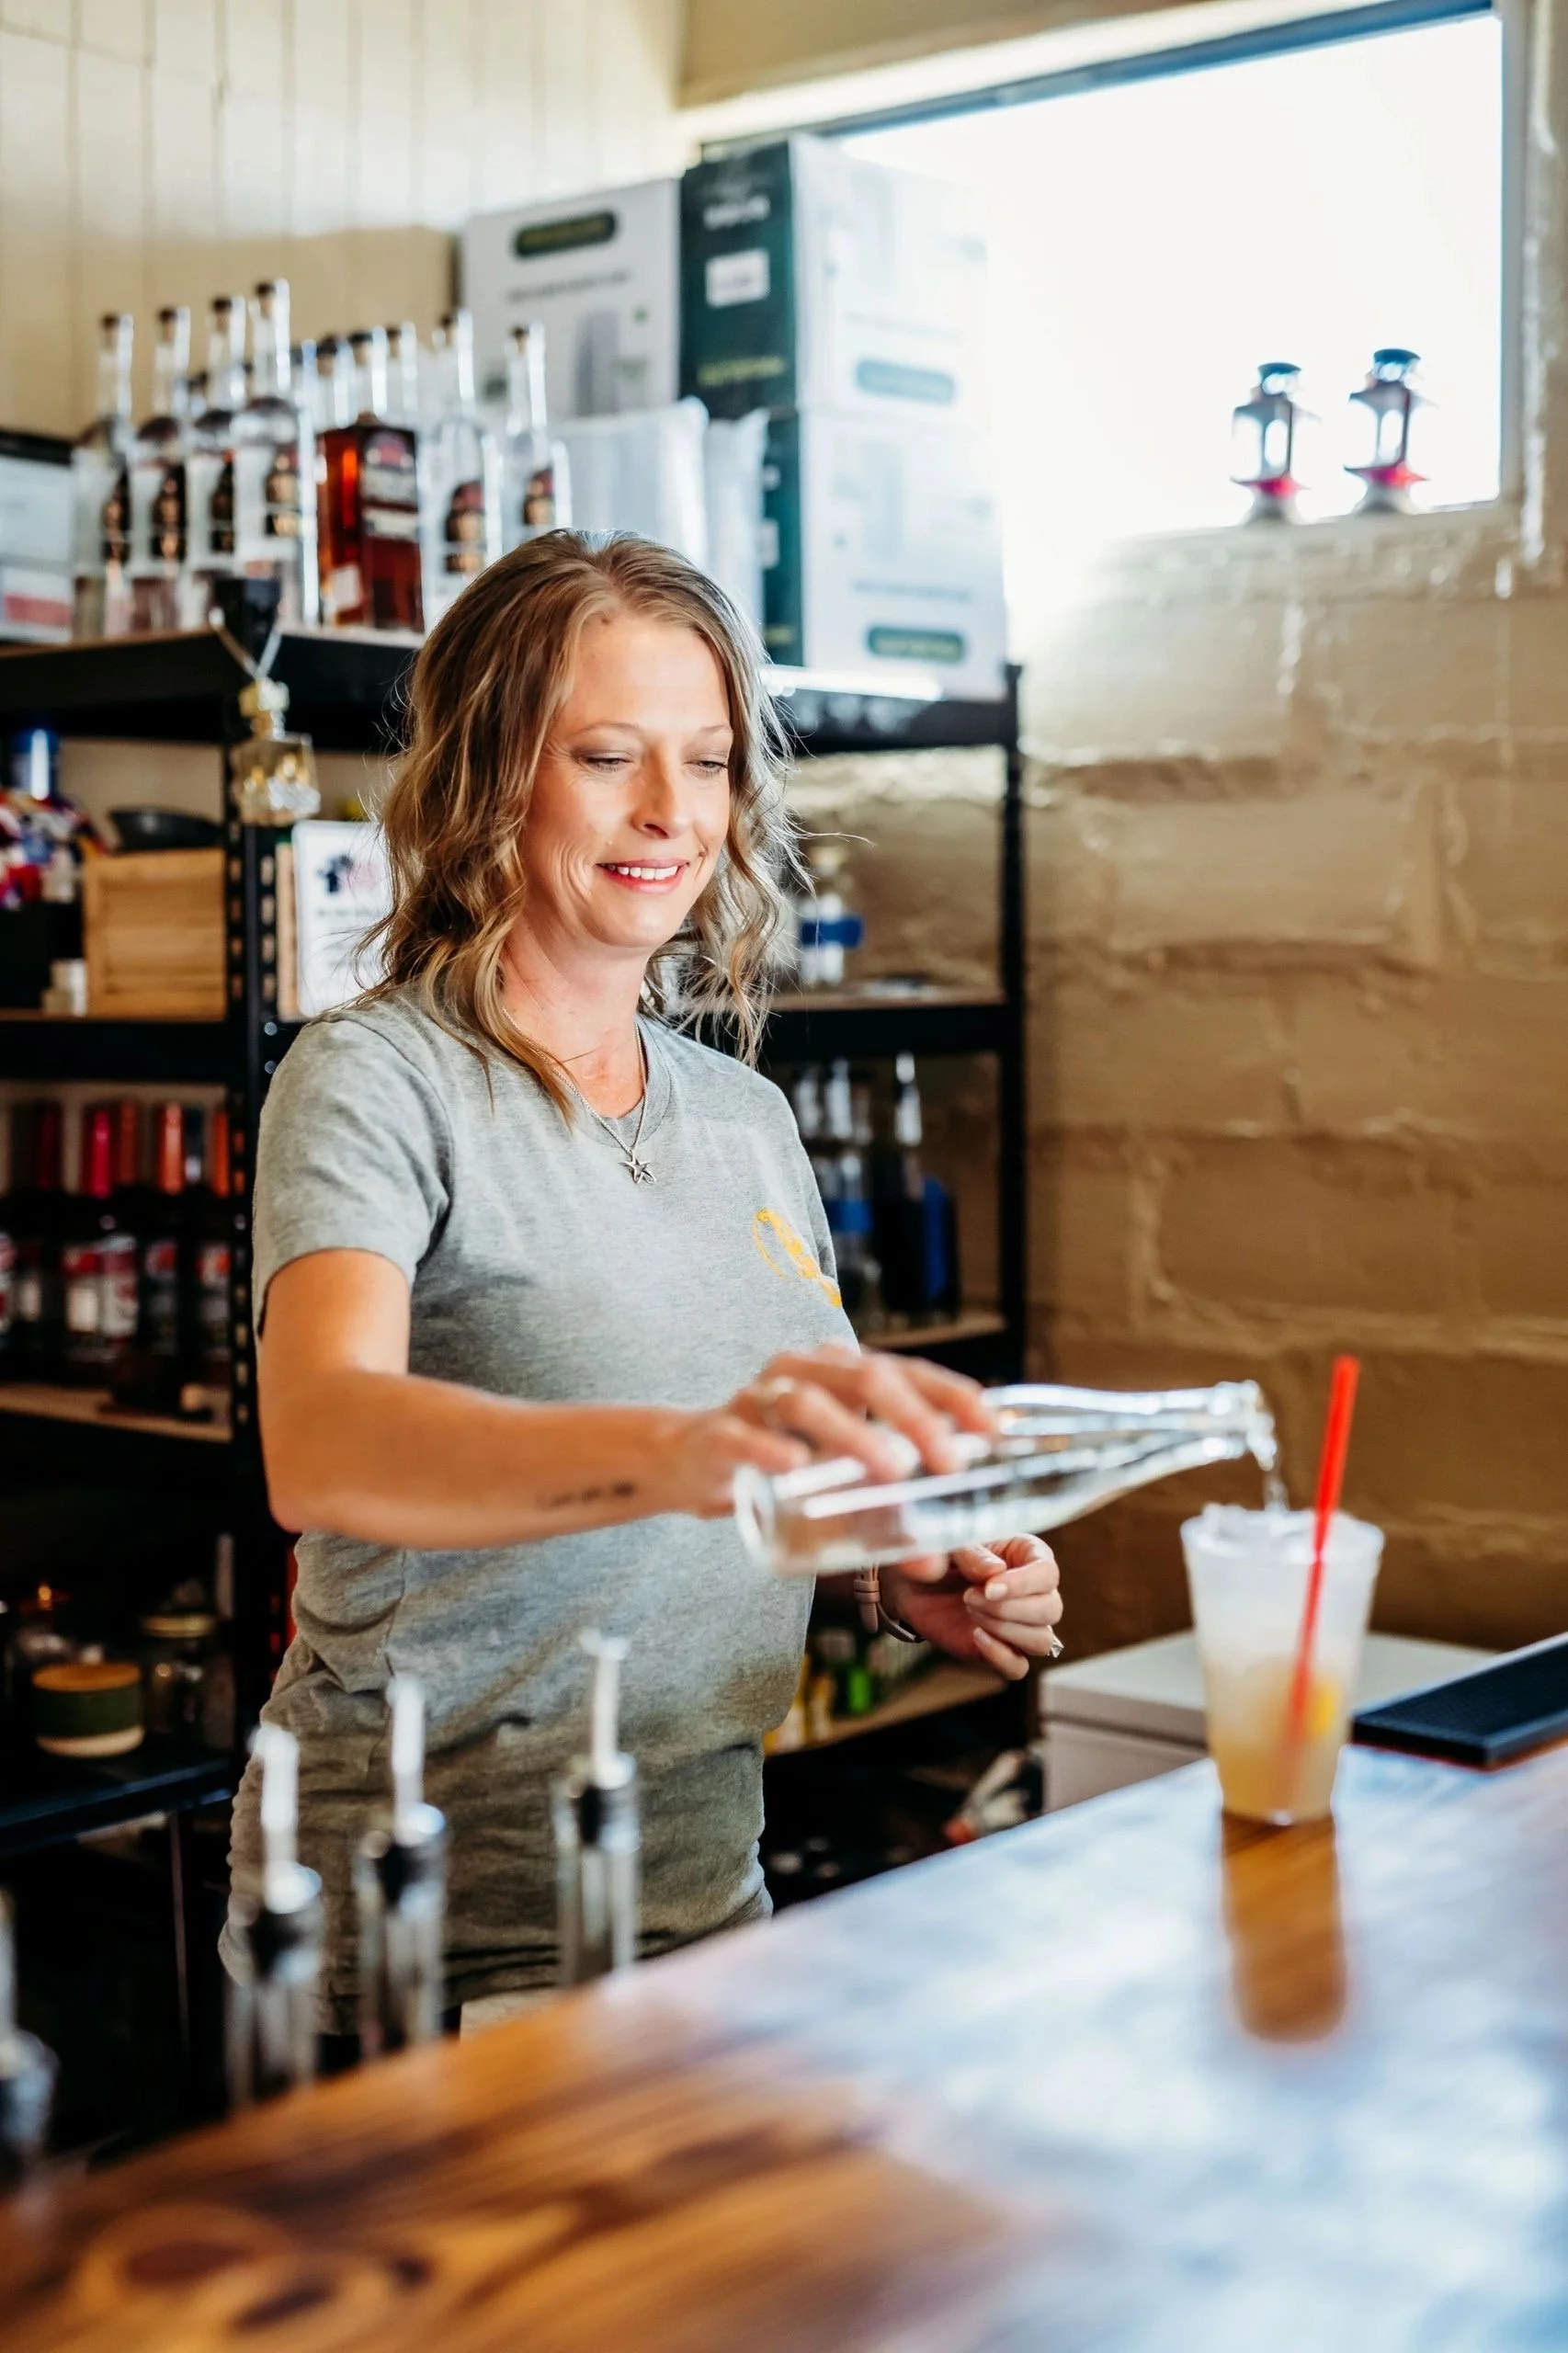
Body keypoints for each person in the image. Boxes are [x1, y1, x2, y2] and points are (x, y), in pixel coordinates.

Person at [225, 531, 1062, 2032]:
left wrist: (889, 1563)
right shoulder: (371, 1080)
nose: (671, 814)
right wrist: (680, 1455)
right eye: (608, 756)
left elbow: (775, 1470)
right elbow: (323, 1443)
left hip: (704, 1913)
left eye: (708, 760)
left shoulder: (742, 1117)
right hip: (427, 1947)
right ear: (491, 779)